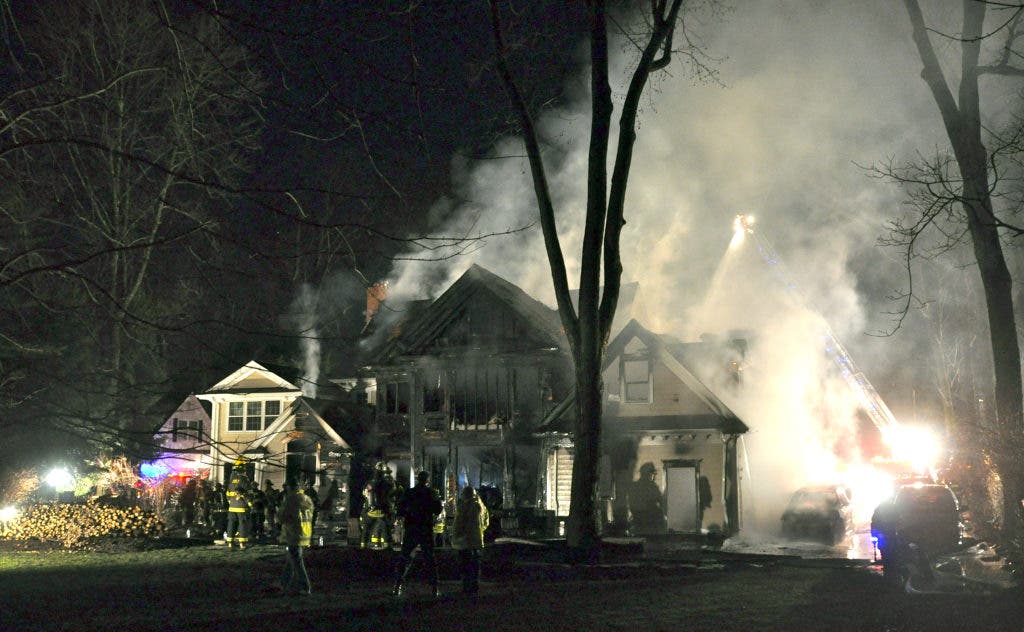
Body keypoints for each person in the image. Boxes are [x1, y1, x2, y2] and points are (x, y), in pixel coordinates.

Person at [392, 471, 443, 597]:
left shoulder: (409, 492)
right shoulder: (431, 493)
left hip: (411, 527)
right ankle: (434, 587)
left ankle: (397, 585)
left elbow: (400, 509)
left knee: (404, 556)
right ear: (427, 480)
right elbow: (438, 510)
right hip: (425, 528)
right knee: (430, 558)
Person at [277, 479, 313, 595]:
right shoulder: (307, 499)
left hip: (294, 533)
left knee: (297, 561)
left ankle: (305, 587)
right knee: (291, 560)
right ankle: (283, 583)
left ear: (289, 488)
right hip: (305, 533)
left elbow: (282, 517)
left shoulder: (290, 500)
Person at [451, 485, 489, 594]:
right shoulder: (482, 507)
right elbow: (486, 523)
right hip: (477, 541)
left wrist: (456, 536)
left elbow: (459, 524)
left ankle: (466, 588)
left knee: (465, 565)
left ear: (465, 495)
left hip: (465, 542)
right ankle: (475, 586)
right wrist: (479, 532)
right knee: (475, 565)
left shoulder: (464, 507)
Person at [628, 462, 666, 535]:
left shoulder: (633, 486)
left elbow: (632, 506)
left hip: (637, 521)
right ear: (649, 474)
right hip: (650, 522)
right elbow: (661, 502)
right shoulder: (652, 487)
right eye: (653, 474)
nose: (654, 476)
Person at [225, 460, 253, 549]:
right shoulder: (245, 480)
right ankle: (242, 544)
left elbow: (228, 494)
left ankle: (230, 542)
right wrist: (250, 503)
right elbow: (249, 493)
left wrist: (230, 502)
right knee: (242, 524)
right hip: (242, 507)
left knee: (231, 524)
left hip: (232, 507)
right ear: (243, 470)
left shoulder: (231, 481)